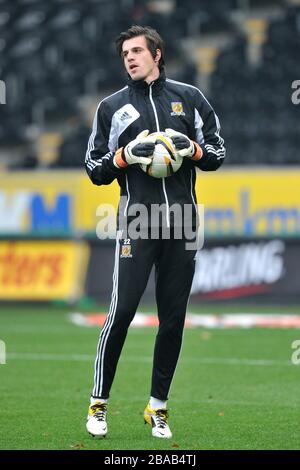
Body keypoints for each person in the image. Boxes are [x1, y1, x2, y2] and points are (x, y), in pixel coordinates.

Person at [85, 25, 225, 439]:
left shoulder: (190, 99)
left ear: (156, 54)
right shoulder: (111, 108)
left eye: (136, 51)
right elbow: (95, 169)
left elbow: (217, 152)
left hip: (183, 224)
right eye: (124, 53)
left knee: (173, 319)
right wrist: (125, 156)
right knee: (123, 311)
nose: (129, 58)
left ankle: (157, 407)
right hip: (137, 223)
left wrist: (192, 150)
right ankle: (98, 403)